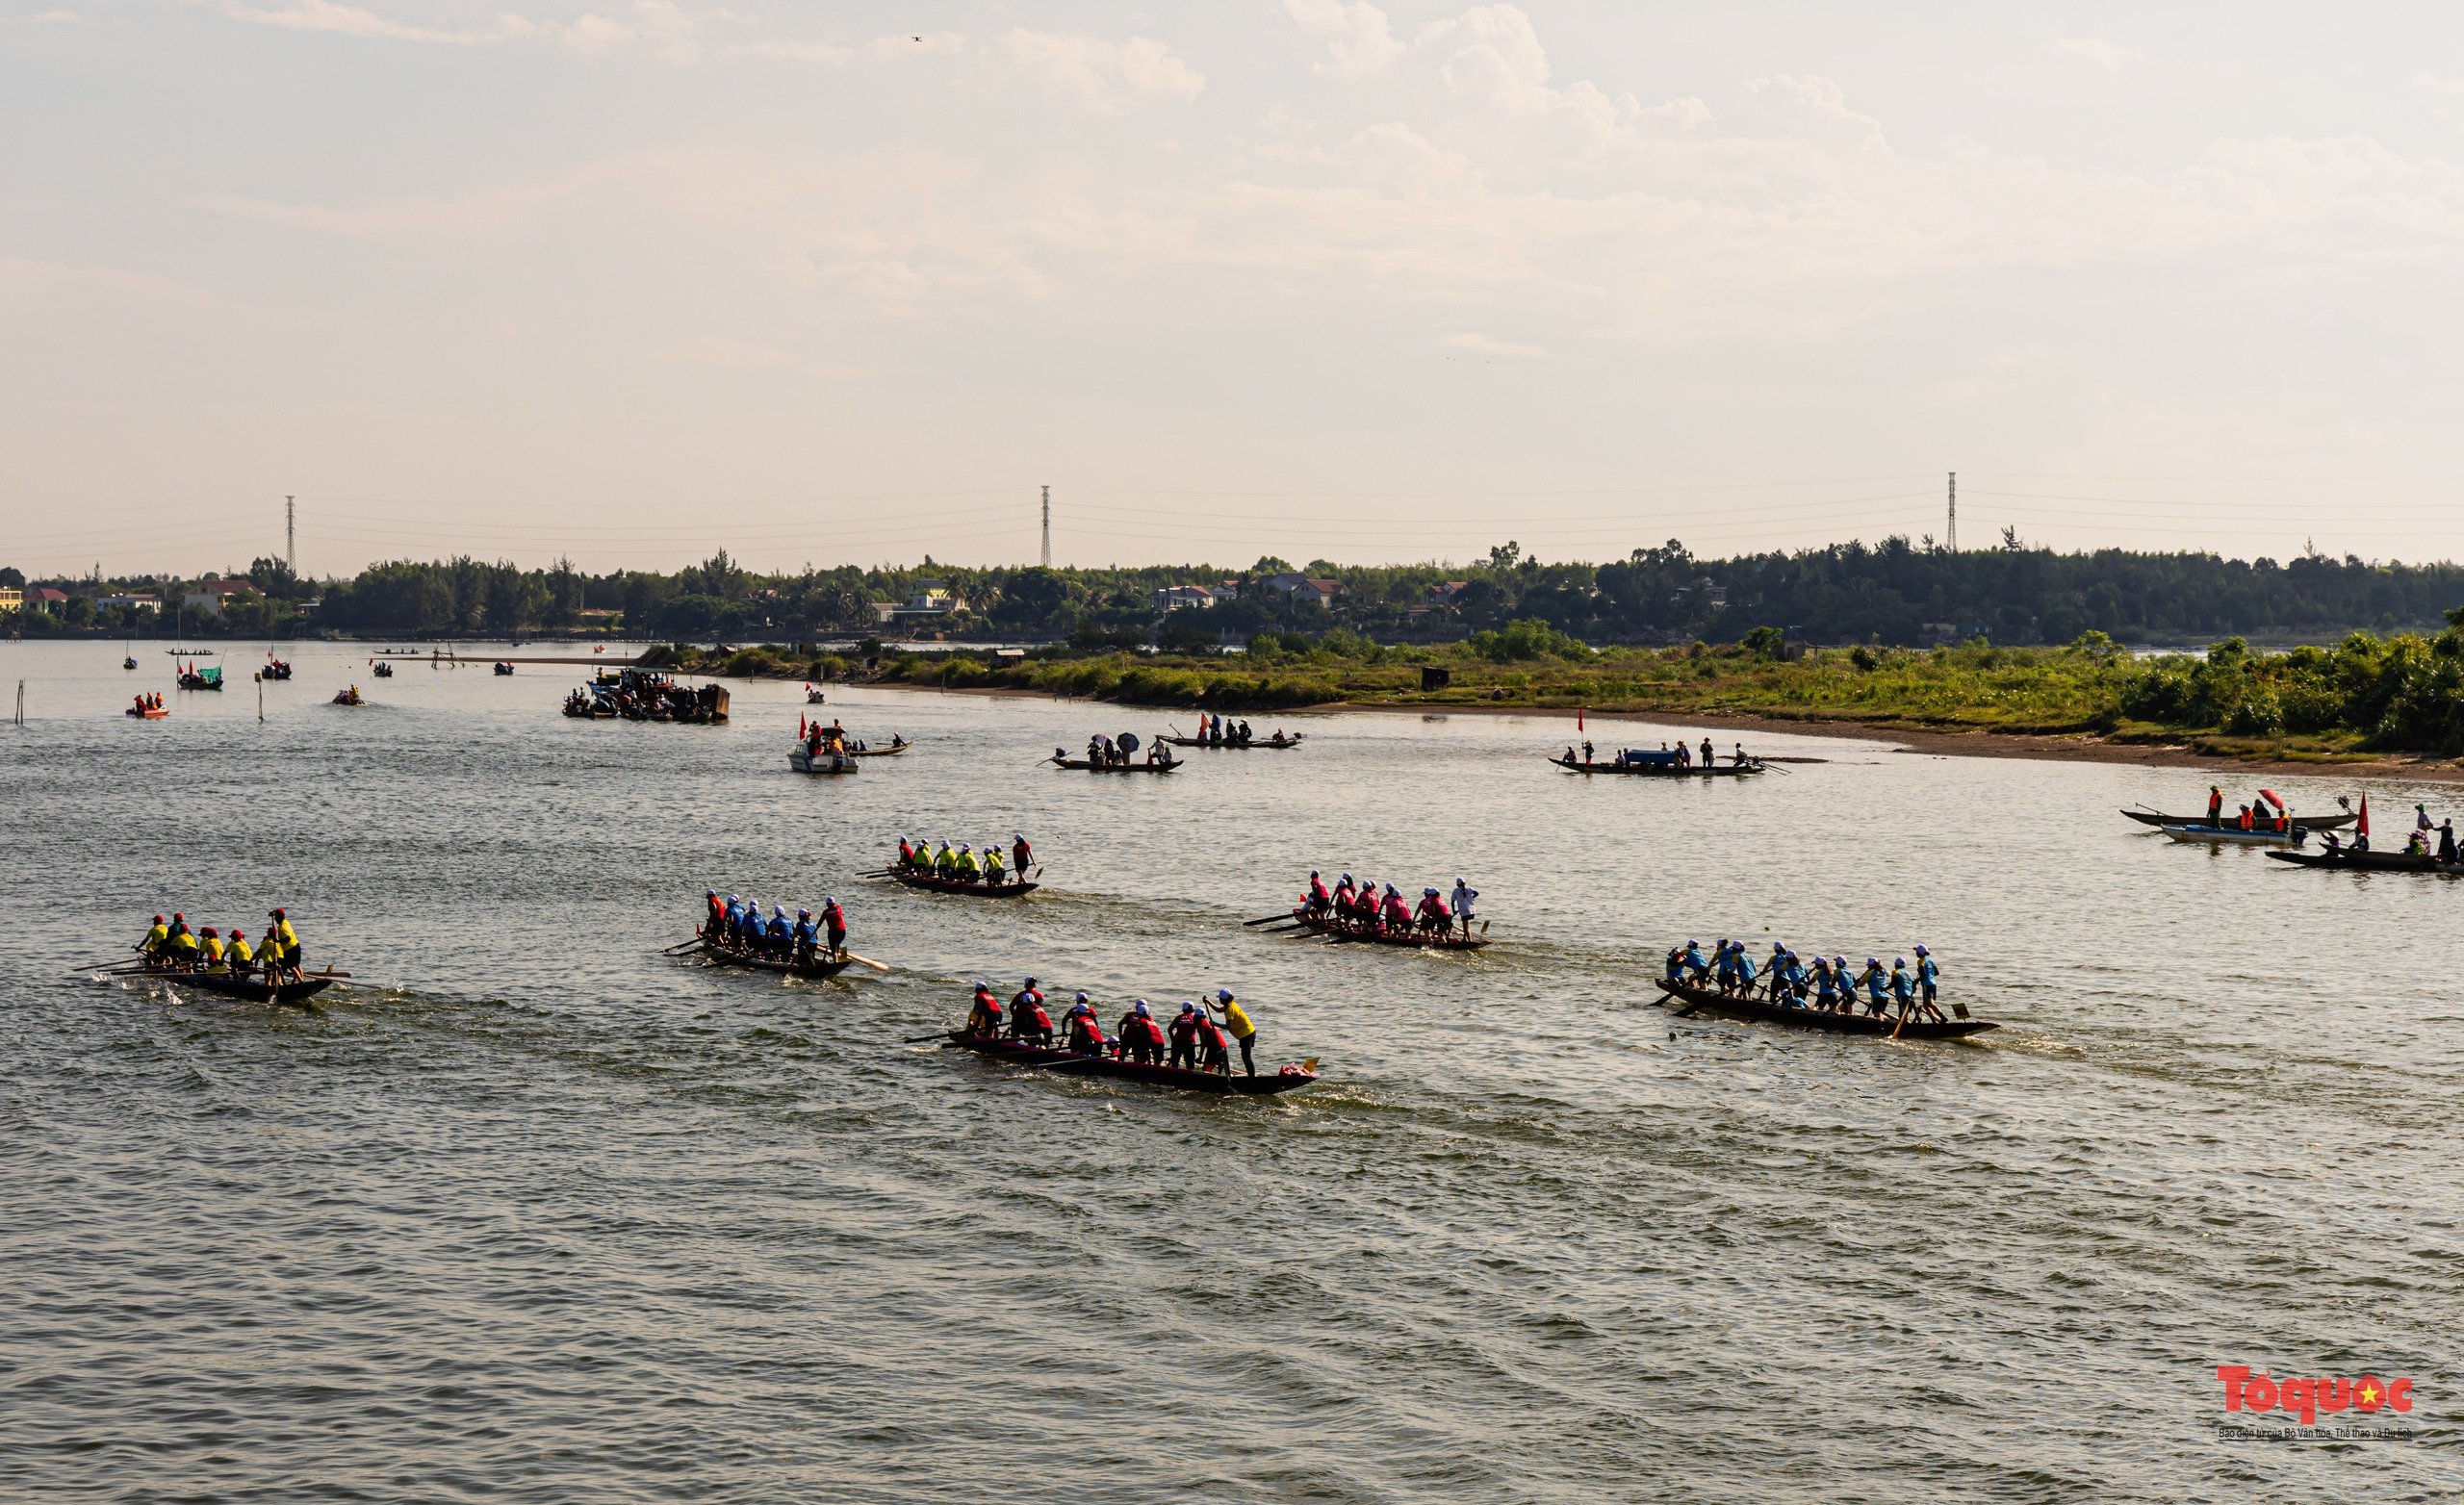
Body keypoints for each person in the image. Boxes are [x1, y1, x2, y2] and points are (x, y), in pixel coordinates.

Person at [1216, 988, 1258, 1076]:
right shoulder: (1232, 1004)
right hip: (1251, 1031)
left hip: (1246, 1034)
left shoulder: (1229, 1010)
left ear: (1223, 999)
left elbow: (1228, 1026)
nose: (1219, 999)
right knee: (1247, 1057)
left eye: (1220, 998)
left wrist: (1214, 1024)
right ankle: (1252, 1076)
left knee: (1246, 1058)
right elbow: (1218, 1010)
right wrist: (1208, 1002)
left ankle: (1252, 1078)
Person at [1116, 1000, 1167, 1064]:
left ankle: (1122, 1064)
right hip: (1159, 1041)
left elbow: (1120, 1024)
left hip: (1130, 1038)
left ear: (1136, 1008)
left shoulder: (1134, 1017)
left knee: (1127, 1054)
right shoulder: (1150, 1019)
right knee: (1153, 1059)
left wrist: (1121, 1036)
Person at [1009, 979, 1052, 1045]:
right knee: (1044, 1044)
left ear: (1025, 984)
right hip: (1048, 1027)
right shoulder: (1039, 997)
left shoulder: (1021, 995)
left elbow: (1011, 1006)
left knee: (1017, 1038)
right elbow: (1039, 1013)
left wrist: (1014, 1017)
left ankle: (1015, 1044)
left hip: (1023, 1021)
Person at [1192, 1005, 1231, 1073]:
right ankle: (1220, 1064)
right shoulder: (1207, 1022)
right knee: (1223, 1070)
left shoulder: (1200, 1024)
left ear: (1195, 1017)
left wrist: (1200, 1057)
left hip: (1215, 1048)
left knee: (1205, 1070)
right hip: (1223, 1046)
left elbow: (1203, 1042)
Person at [1167, 1003, 1201, 1070]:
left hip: (1177, 1042)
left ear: (1183, 1010)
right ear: (1192, 1009)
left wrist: (1173, 1040)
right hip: (1189, 1043)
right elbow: (1200, 1031)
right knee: (1190, 1065)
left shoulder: (1179, 1017)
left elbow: (1169, 1029)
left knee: (1174, 1063)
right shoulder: (1195, 1018)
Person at [1913, 945, 1939, 1010]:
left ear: (1919, 953)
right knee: (1926, 1005)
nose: (1916, 953)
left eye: (1916, 952)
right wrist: (1929, 976)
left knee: (1930, 1004)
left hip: (1927, 985)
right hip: (1933, 983)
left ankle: (1942, 1017)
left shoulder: (1920, 961)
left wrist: (1916, 981)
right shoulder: (1931, 960)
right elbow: (1936, 973)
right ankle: (1934, 1020)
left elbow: (1923, 974)